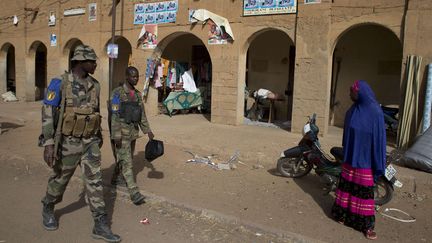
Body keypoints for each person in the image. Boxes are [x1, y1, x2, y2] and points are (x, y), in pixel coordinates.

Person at [39, 44, 121, 243]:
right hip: (68, 142)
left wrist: (99, 136)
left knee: (94, 182)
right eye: (92, 61)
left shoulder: (95, 85)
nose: (95, 64)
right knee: (60, 179)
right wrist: (49, 143)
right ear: (80, 61)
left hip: (90, 142)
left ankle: (100, 224)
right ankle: (48, 207)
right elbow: (48, 113)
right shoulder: (60, 83)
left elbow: (96, 112)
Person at [331, 80, 386, 240]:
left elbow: (379, 140)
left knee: (364, 195)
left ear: (360, 93)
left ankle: (367, 226)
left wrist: (376, 160)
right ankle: (343, 215)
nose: (350, 95)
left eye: (352, 92)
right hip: (350, 159)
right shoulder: (353, 110)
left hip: (365, 163)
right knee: (346, 189)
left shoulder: (375, 112)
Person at [109, 66, 155, 205]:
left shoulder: (137, 95)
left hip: (133, 133)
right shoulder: (117, 93)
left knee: (123, 158)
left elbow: (142, 114)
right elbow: (114, 115)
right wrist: (116, 134)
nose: (135, 79)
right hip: (121, 133)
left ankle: (115, 178)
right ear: (126, 77)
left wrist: (147, 130)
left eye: (137, 77)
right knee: (127, 161)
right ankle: (134, 192)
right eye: (133, 76)